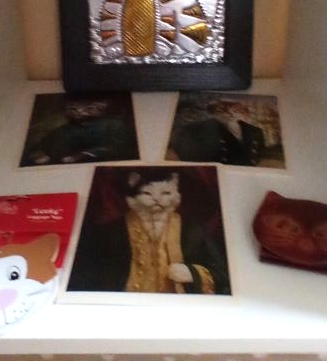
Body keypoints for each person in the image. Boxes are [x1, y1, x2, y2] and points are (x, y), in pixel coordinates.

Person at [68, 168, 230, 294]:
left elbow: (222, 273)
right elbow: (86, 274)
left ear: (176, 194)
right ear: (132, 197)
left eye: (166, 193)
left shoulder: (192, 229)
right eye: (147, 192)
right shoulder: (111, 231)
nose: (157, 199)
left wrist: (192, 273)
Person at [25, 99, 138, 165]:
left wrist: (81, 155)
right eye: (73, 108)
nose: (79, 111)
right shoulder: (63, 130)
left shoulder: (114, 124)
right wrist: (41, 154)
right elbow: (42, 147)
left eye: (90, 108)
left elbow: (119, 148)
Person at [170, 100, 265, 166]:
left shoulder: (254, 131)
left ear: (245, 113)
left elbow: (258, 152)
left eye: (236, 110)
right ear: (214, 112)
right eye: (224, 110)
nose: (231, 113)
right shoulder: (198, 128)